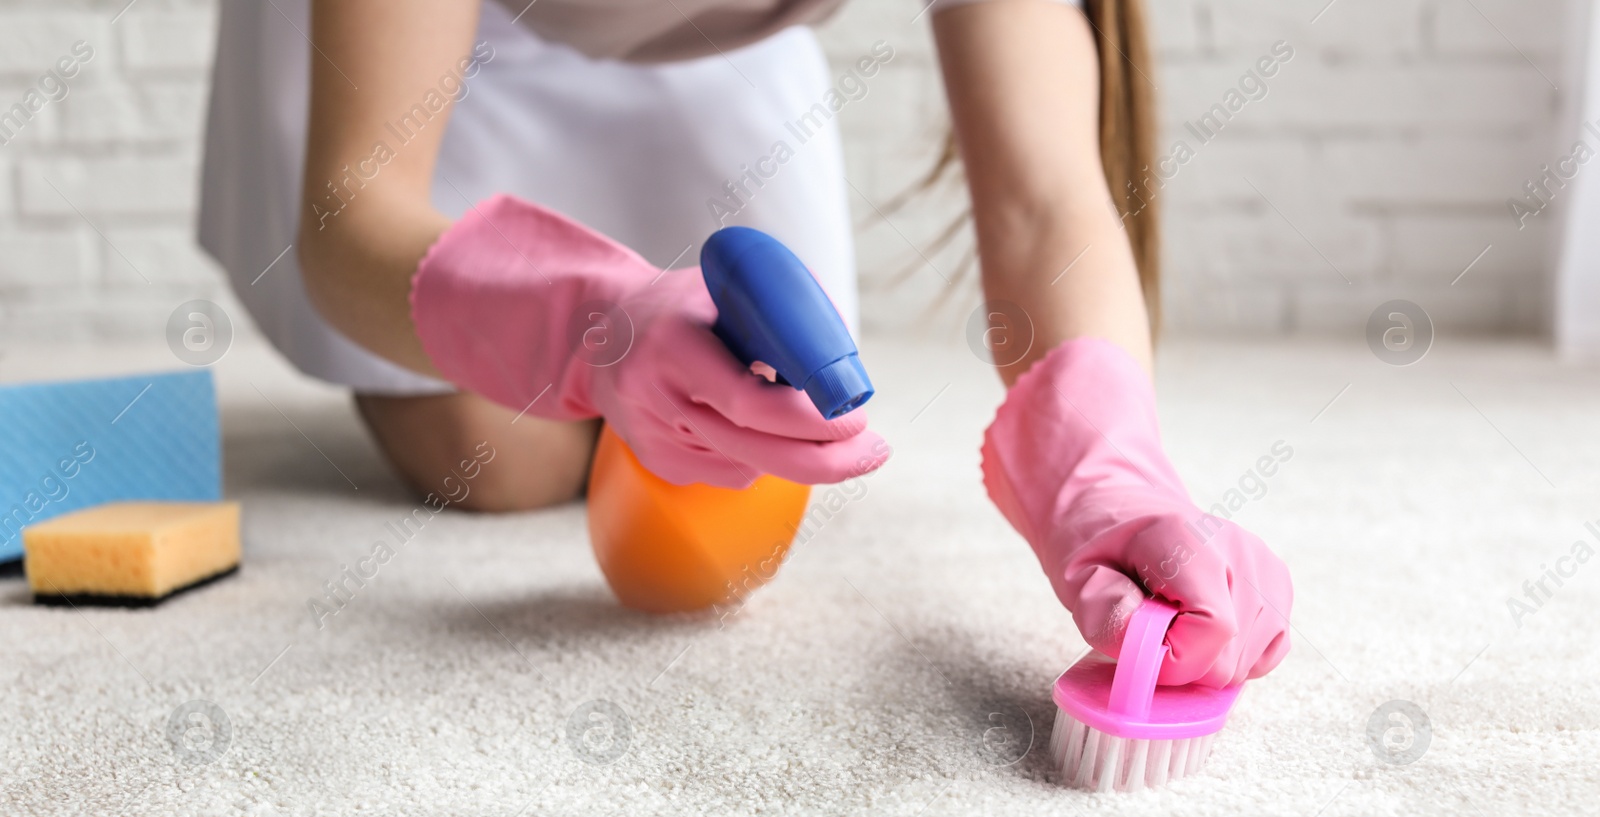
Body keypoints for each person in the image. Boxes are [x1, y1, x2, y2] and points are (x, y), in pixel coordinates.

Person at [198, 0, 1291, 687]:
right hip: (435, 48)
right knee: (499, 459)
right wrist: (589, 326)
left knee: (758, 427)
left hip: (706, 32)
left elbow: (1044, 200)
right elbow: (350, 222)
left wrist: (1110, 473)